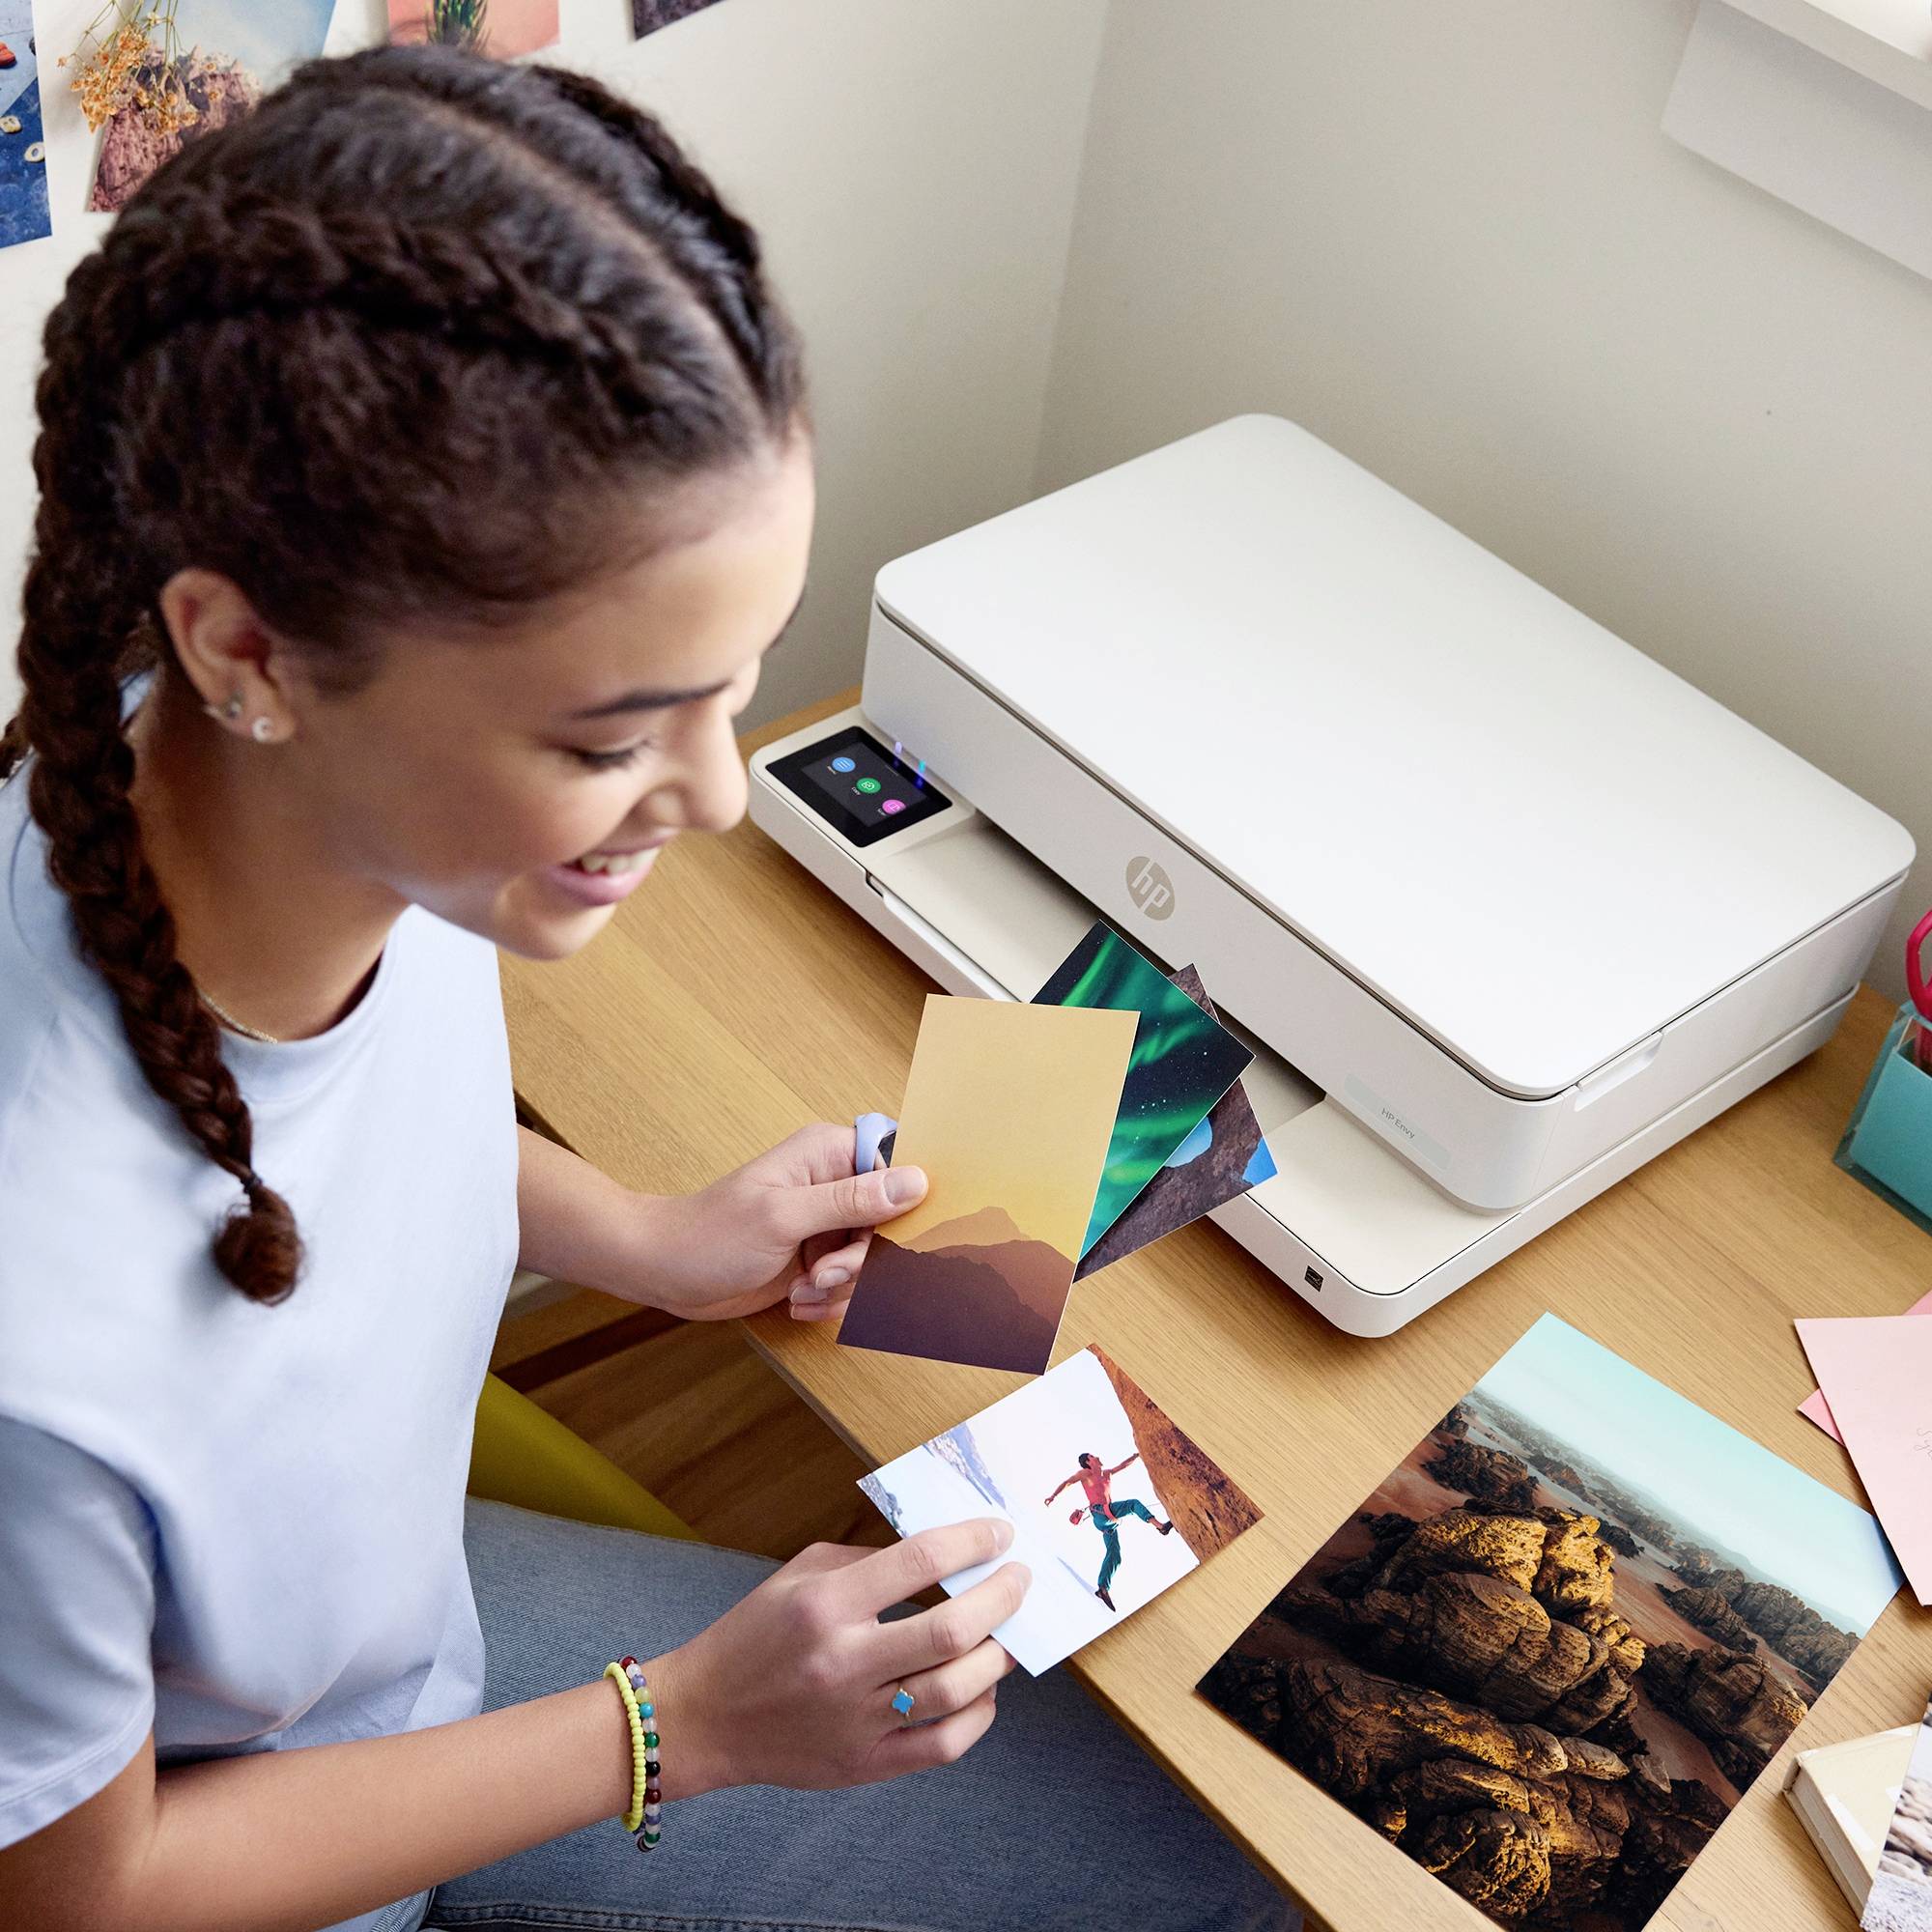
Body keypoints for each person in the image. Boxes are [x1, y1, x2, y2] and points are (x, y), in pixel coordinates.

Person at [0, 42, 1296, 1932]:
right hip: (204, 1846)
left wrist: (651, 1238)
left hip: (388, 1650)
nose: (715, 789)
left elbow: (302, 1132)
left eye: (734, 674)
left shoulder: (264, 807)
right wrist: (676, 1724)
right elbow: (79, 1892)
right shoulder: (34, 1343)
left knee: (1204, 1875)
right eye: (615, 735)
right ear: (250, 652)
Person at [1046, 1451, 1174, 1611]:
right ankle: (1161, 1527)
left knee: (1115, 1556)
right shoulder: (1086, 1473)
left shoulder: (1106, 1473)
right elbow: (1068, 1482)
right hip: (1100, 1513)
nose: (1097, 1456)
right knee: (1132, 1504)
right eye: (1093, 1456)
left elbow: (1122, 1466)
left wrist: (1136, 1456)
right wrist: (1053, 1496)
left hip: (1108, 1523)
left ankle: (1103, 1588)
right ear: (1088, 1461)